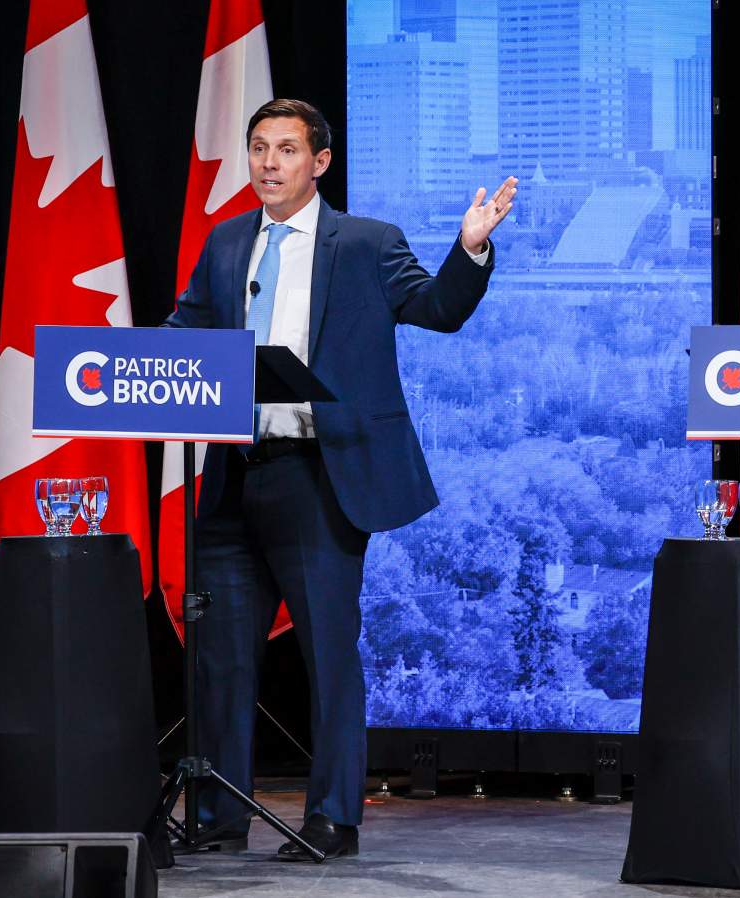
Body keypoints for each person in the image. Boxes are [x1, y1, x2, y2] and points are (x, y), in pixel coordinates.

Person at [165, 98, 517, 860]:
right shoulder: (227, 244)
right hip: (233, 478)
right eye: (258, 148)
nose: (268, 163)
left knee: (328, 653)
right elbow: (184, 334)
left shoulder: (366, 243)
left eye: (286, 150)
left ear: (318, 162)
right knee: (221, 658)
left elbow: (437, 307)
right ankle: (221, 818)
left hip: (321, 479)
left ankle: (333, 817)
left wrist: (470, 247)